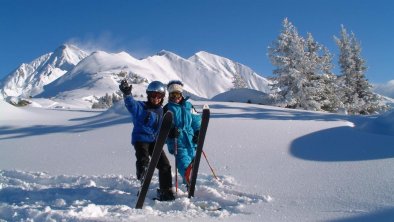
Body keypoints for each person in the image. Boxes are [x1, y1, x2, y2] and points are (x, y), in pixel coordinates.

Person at [119, 79, 175, 201]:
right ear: (148, 95)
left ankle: (165, 190)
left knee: (165, 165)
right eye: (153, 96)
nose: (156, 98)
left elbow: (164, 127)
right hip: (141, 139)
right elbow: (131, 105)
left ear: (162, 97)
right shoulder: (141, 107)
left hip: (155, 142)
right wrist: (127, 95)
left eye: (159, 96)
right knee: (143, 159)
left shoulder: (162, 111)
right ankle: (143, 175)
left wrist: (171, 132)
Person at [164, 80, 201, 186]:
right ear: (169, 95)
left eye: (178, 94)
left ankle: (189, 181)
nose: (175, 97)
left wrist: (198, 132)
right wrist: (169, 133)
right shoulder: (167, 108)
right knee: (182, 160)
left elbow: (196, 121)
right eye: (172, 95)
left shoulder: (189, 106)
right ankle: (187, 176)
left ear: (181, 94)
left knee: (192, 161)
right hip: (176, 141)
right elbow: (161, 128)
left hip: (191, 140)